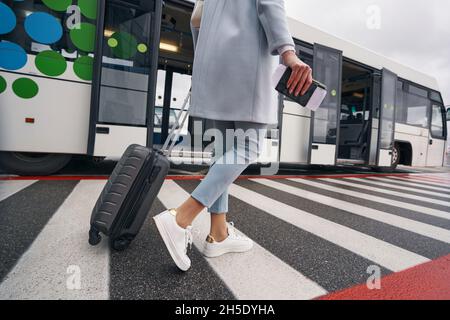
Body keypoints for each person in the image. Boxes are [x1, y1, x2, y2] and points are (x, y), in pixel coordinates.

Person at [154, 0, 312, 271]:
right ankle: (180, 218)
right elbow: (270, 4)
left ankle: (219, 235)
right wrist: (288, 54)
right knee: (249, 147)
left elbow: (197, 19)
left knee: (224, 150)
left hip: (213, 68)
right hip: (246, 64)